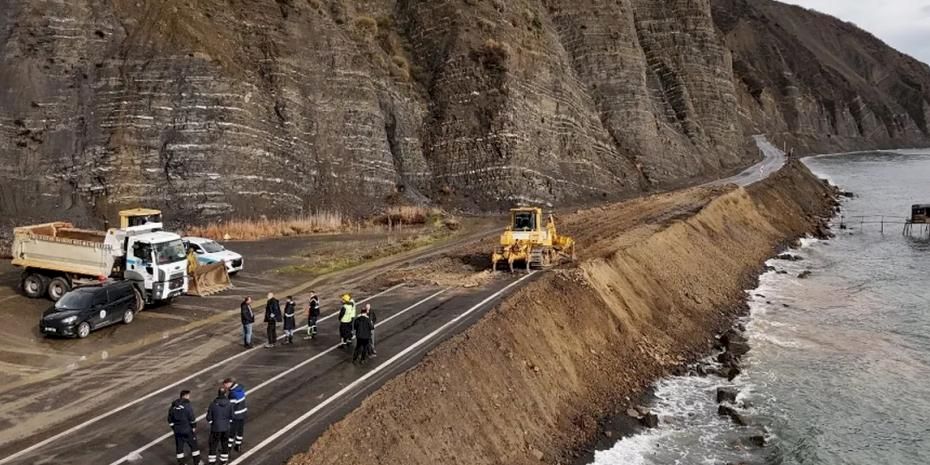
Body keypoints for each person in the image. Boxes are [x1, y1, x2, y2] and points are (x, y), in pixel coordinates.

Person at [168, 390, 200, 465]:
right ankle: (196, 462)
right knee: (194, 446)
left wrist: (174, 428)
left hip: (178, 431)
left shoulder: (173, 406)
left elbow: (169, 420)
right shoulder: (187, 406)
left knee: (179, 448)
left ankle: (181, 463)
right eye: (188, 396)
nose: (189, 397)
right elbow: (192, 418)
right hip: (187, 430)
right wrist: (193, 427)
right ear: (185, 396)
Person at [206, 388, 233, 464]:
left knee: (213, 445)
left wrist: (213, 423)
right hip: (226, 428)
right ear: (225, 394)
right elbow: (232, 416)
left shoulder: (213, 404)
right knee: (225, 444)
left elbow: (208, 417)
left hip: (216, 428)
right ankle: (223, 461)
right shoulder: (229, 404)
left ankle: (212, 462)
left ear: (218, 394)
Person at [223, 378, 247, 453]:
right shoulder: (241, 388)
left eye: (225, 385)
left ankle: (228, 448)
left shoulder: (232, 394)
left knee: (232, 431)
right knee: (240, 430)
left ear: (229, 383)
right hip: (243, 412)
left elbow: (231, 406)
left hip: (236, 415)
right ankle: (238, 445)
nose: (225, 387)